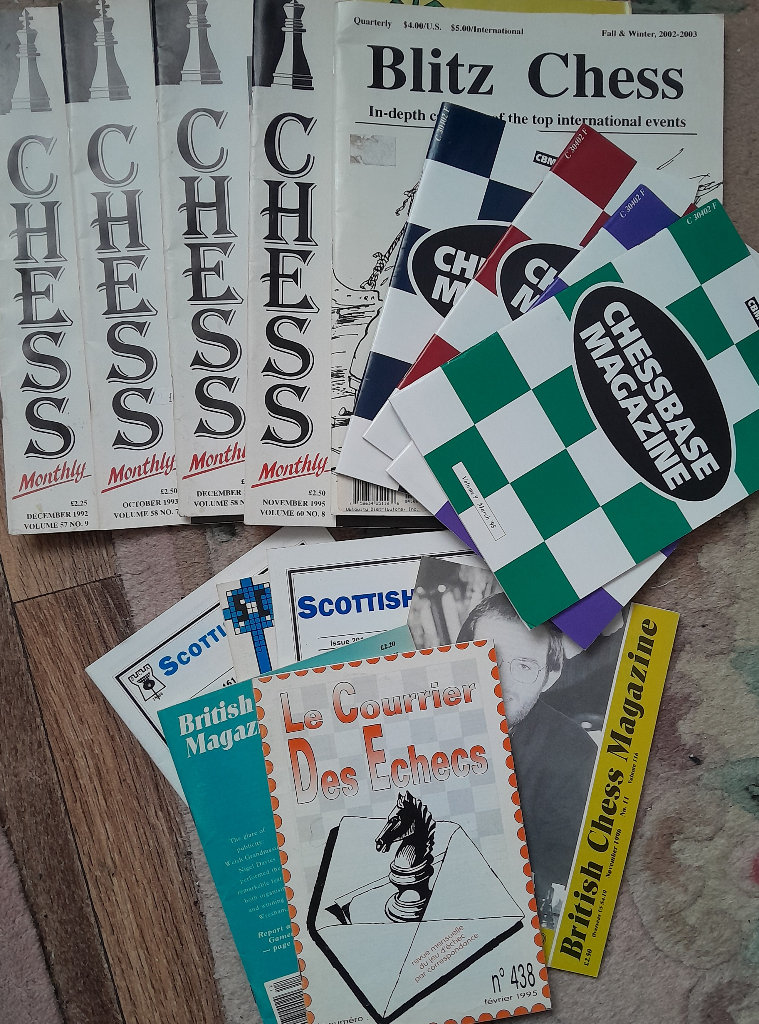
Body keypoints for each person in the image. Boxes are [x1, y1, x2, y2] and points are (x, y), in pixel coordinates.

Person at [457, 593, 597, 919]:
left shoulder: (574, 756)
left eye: (524, 666)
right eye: (488, 657)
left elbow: (563, 877)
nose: (499, 680)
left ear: (550, 677)